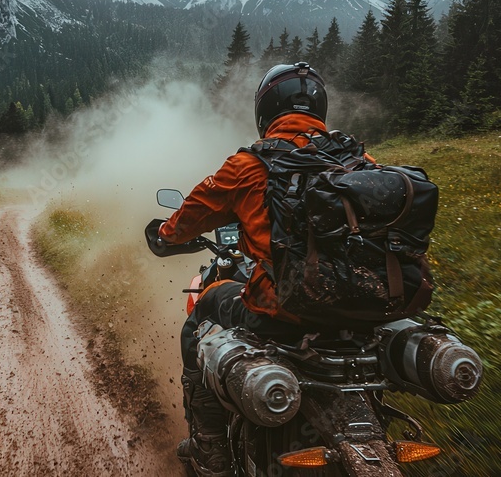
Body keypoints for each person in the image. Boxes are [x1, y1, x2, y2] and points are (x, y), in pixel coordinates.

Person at [158, 62, 374, 477]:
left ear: (266, 111)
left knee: (201, 312)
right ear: (320, 108)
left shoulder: (249, 165)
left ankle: (211, 450)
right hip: (364, 310)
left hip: (284, 312)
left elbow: (189, 216)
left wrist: (166, 236)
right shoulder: (361, 159)